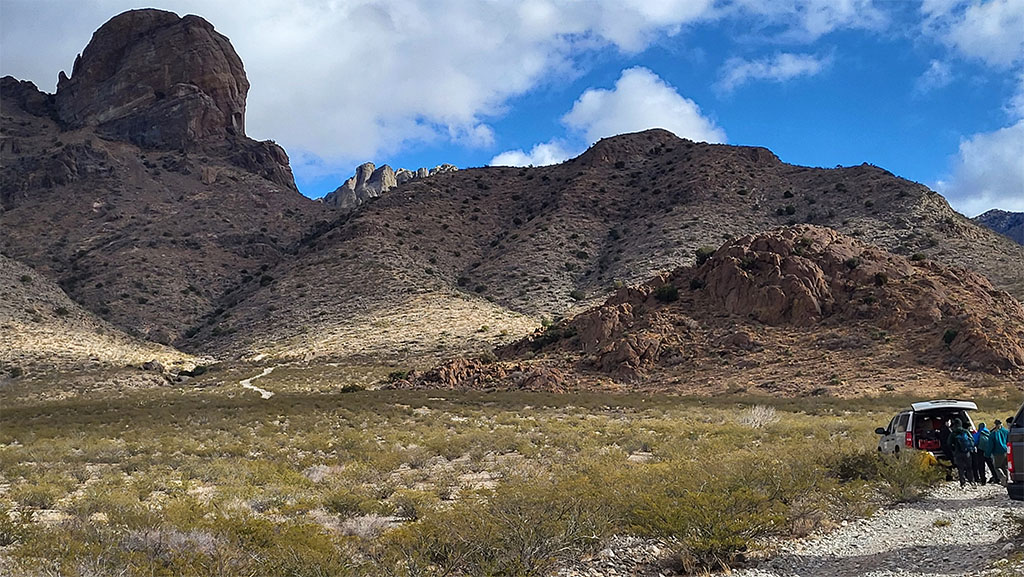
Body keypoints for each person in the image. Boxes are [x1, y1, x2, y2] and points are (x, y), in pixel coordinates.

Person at [948, 418, 975, 488]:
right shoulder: (965, 431)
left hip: (958, 453)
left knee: (961, 468)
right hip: (967, 452)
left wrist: (953, 450)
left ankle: (963, 483)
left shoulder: (953, 433)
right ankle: (971, 481)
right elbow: (972, 440)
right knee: (969, 467)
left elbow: (949, 443)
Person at [991, 419, 1009, 484]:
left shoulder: (994, 433)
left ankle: (1002, 477)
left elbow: (991, 444)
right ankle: (1007, 480)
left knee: (997, 467)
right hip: (1006, 450)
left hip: (997, 452)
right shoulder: (1006, 431)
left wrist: (987, 453)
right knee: (1005, 467)